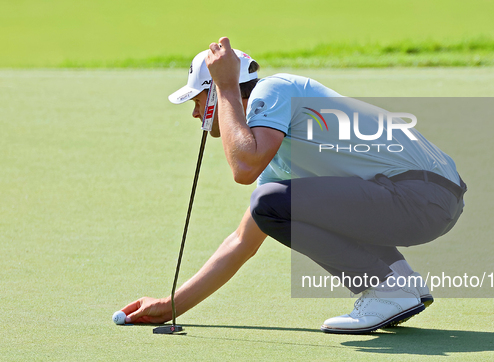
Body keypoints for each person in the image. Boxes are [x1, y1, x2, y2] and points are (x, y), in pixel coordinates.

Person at [121, 37, 467, 334]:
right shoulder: (277, 150)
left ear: (214, 93)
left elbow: (243, 169)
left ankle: (383, 288)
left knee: (268, 200)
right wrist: (172, 306)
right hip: (425, 199)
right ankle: (399, 279)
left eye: (197, 101)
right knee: (272, 203)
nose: (196, 114)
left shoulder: (275, 89)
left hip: (419, 196)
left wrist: (224, 87)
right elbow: (243, 241)